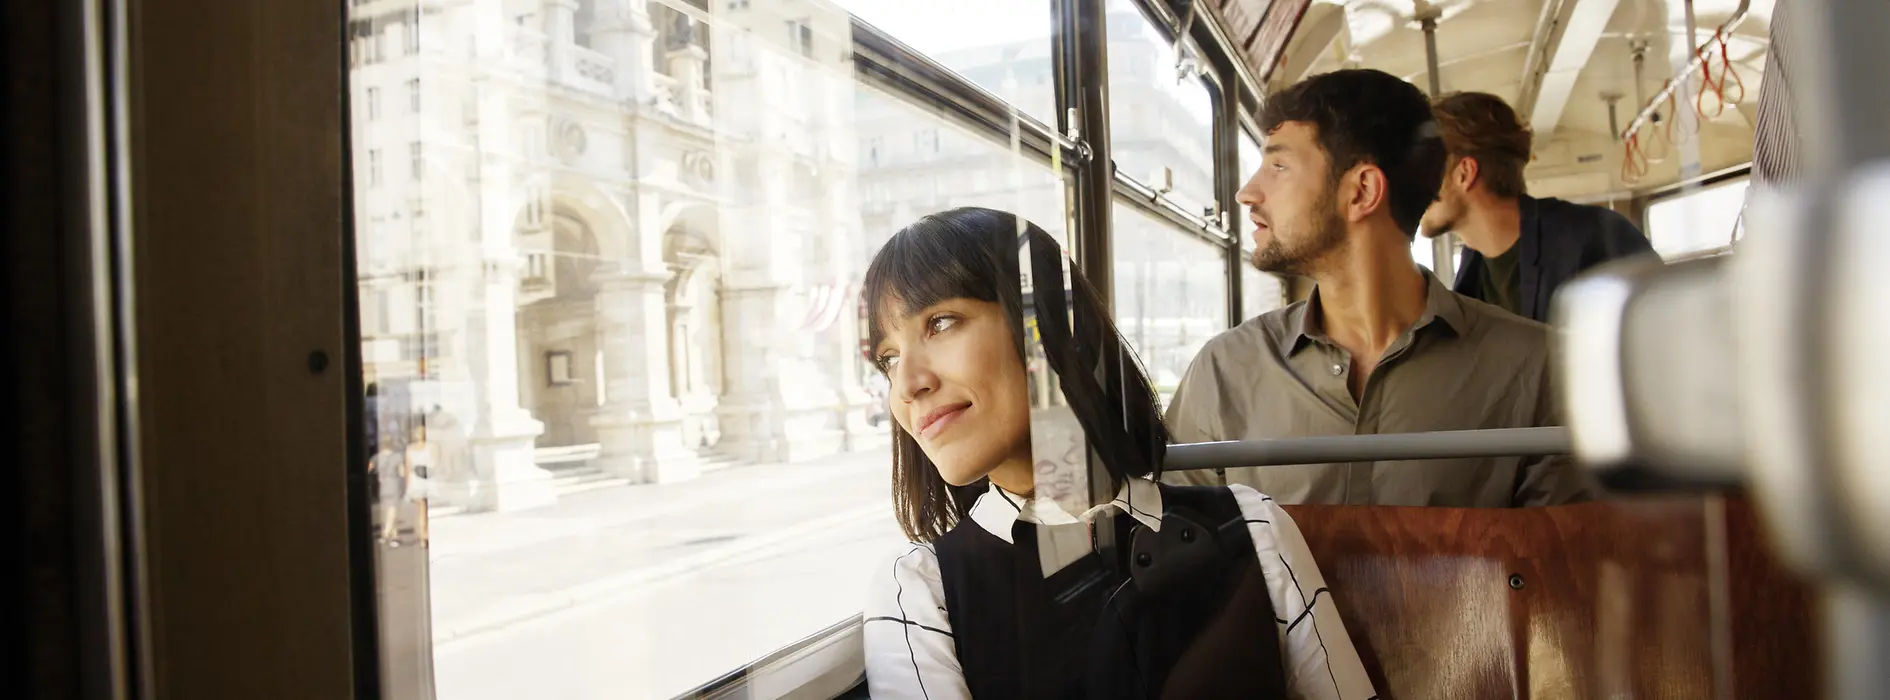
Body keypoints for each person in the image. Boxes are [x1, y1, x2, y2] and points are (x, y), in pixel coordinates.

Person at [860, 208, 1374, 699]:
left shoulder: (1253, 527)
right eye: (888, 358)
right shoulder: (922, 594)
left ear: (1048, 328)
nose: (907, 384)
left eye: (941, 323)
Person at [1163, 69, 1594, 507]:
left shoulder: (1541, 372)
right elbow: (1170, 549)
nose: (1247, 193)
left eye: (1278, 166)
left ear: (1362, 191)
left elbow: (1564, 562)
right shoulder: (1223, 372)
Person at [1421, 91, 1656, 323]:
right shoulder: (1473, 273)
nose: (1412, 187)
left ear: (1465, 173)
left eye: (1424, 169)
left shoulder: (1595, 238)